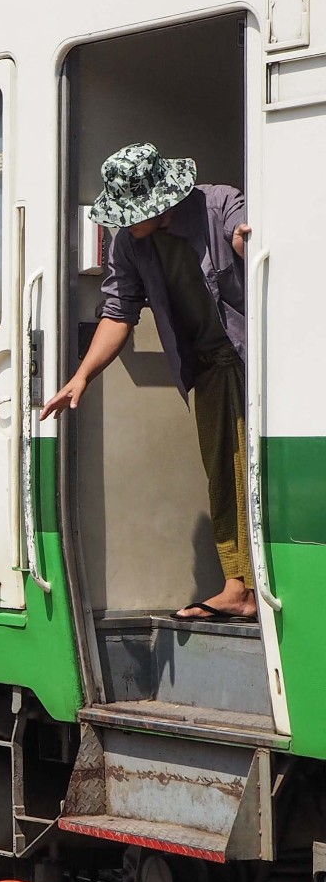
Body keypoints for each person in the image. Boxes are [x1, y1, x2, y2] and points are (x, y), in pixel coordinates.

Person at [43, 144, 255, 620]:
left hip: (257, 363)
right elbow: (118, 312)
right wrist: (82, 376)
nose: (122, 223)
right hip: (210, 370)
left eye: (128, 213)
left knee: (259, 470)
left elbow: (249, 233)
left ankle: (267, 584)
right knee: (223, 473)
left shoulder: (219, 204)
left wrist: (247, 243)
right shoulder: (129, 244)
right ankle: (238, 586)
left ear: (159, 203)